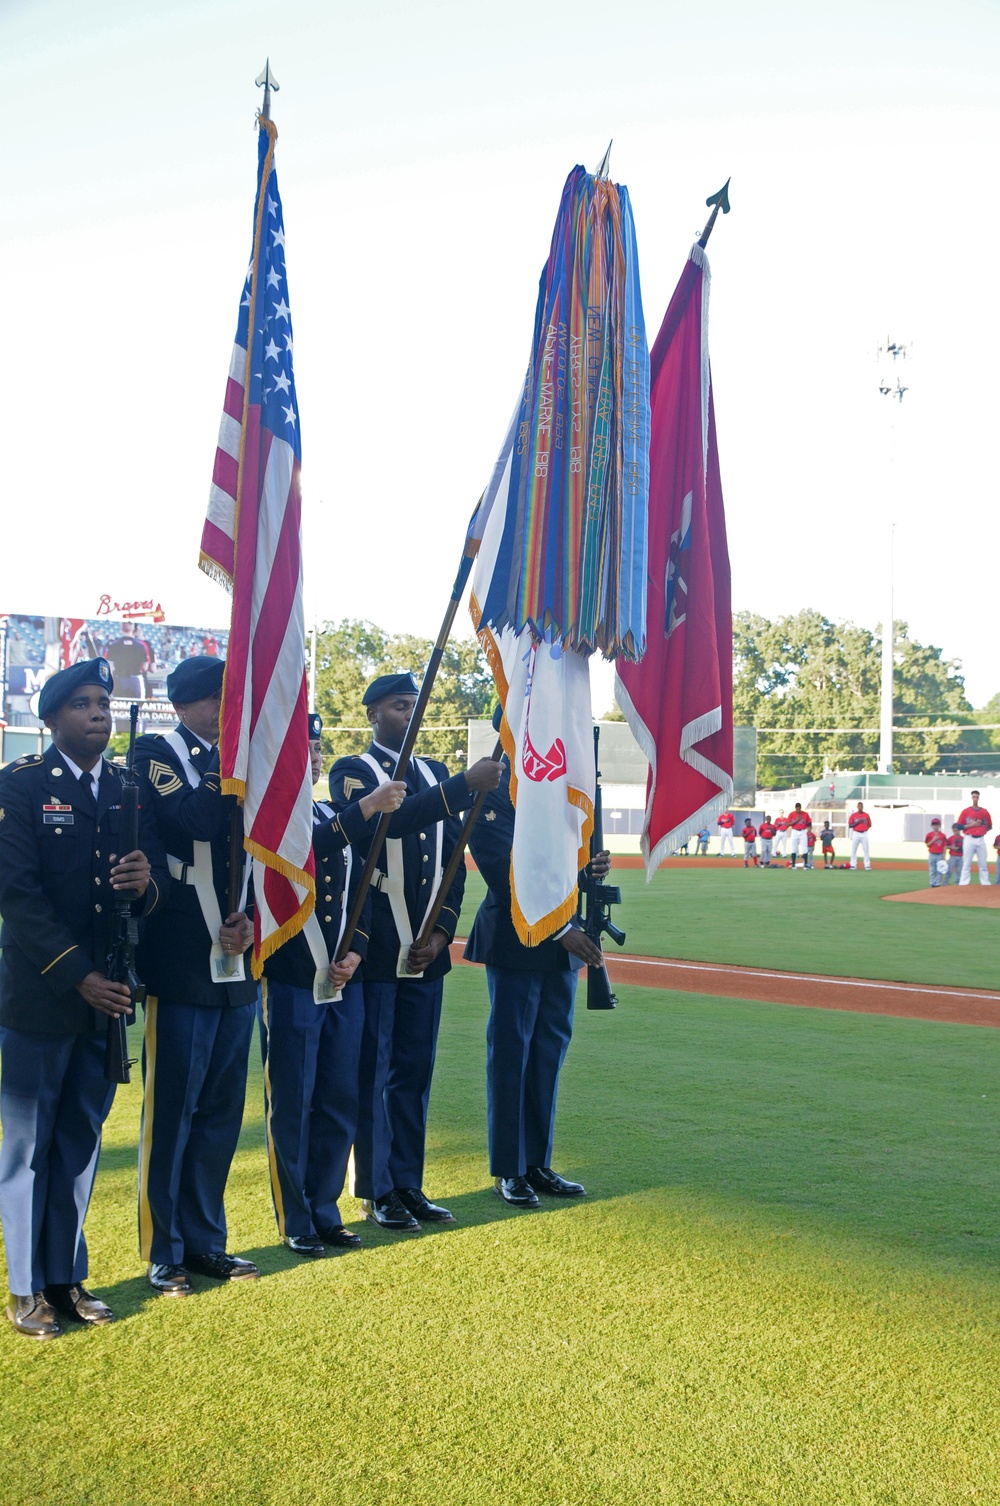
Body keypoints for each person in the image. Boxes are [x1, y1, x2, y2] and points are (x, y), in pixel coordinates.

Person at [0, 660, 167, 1338]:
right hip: (43, 1001)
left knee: (79, 1145)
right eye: (83, 703)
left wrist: (144, 881)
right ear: (51, 719)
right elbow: (17, 897)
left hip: (108, 998)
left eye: (103, 702)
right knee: (27, 1148)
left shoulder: (128, 790)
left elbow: (151, 897)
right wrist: (77, 975)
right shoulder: (21, 788)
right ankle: (24, 1288)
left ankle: (66, 1277)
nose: (98, 712)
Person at [329, 672, 503, 1233]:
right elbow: (390, 824)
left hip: (423, 948)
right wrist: (461, 787)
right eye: (401, 707)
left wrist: (441, 931)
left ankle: (408, 1181)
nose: (411, 715)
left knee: (414, 1071)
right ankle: (375, 1188)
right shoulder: (353, 771)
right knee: (374, 1071)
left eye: (414, 706)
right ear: (375, 713)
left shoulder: (430, 771)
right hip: (377, 946)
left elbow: (455, 862)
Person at [134, 656, 260, 1296]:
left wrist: (254, 919)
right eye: (221, 698)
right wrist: (230, 759)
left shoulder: (242, 758)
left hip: (239, 949)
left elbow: (266, 842)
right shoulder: (155, 752)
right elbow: (194, 822)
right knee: (174, 1110)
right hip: (183, 949)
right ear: (186, 703)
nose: (231, 708)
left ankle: (207, 1240)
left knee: (220, 1112)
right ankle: (164, 1248)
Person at [259, 713, 406, 1256]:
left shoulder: (329, 811)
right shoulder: (272, 821)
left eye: (318, 747)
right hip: (295, 978)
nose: (316, 757)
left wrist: (357, 950)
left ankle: (326, 1209)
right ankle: (295, 1217)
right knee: (294, 1101)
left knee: (339, 1097)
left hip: (340, 978)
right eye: (304, 748)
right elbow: (308, 849)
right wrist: (366, 807)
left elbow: (361, 893)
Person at [465, 758, 609, 1207]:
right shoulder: (493, 787)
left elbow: (557, 862)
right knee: (512, 1054)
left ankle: (537, 1163)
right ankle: (510, 1169)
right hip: (517, 940)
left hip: (560, 942)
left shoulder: (558, 787)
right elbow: (507, 869)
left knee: (547, 1052)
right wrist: (563, 930)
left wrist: (588, 871)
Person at [103, 620, 151, 699]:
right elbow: (144, 667)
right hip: (135, 679)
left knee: (118, 707)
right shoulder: (141, 645)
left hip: (119, 679)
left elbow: (109, 668)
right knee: (137, 706)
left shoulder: (113, 645)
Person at [957, 791, 993, 887]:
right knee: (966, 863)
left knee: (983, 863)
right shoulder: (966, 811)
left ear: (979, 798)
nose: (975, 799)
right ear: (971, 798)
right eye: (974, 797)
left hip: (980, 838)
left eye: (977, 797)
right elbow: (959, 826)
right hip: (969, 838)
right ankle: (963, 883)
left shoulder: (984, 812)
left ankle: (985, 883)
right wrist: (972, 825)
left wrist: (982, 830)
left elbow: (989, 825)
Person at [848, 802, 872, 871]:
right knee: (854, 850)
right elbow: (850, 825)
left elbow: (869, 824)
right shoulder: (853, 815)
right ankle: (853, 865)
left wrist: (864, 828)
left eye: (861, 806)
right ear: (857, 807)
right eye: (859, 806)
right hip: (856, 833)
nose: (860, 807)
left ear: (863, 807)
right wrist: (858, 822)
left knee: (866, 850)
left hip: (864, 833)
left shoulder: (866, 815)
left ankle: (867, 865)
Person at [924, 818, 948, 888]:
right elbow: (928, 845)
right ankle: (932, 884)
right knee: (932, 870)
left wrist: (944, 856)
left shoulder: (943, 835)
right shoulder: (929, 835)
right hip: (932, 854)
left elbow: (944, 846)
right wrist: (933, 839)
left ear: (939, 826)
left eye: (937, 825)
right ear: (931, 826)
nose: (935, 826)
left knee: (939, 870)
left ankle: (937, 884)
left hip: (939, 854)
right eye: (934, 825)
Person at [787, 803, 811, 868]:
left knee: (804, 848)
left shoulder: (805, 814)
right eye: (797, 809)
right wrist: (796, 820)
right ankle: (793, 865)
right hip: (795, 831)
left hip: (803, 831)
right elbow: (787, 824)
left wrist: (809, 829)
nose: (798, 810)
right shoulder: (792, 814)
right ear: (795, 808)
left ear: (801, 808)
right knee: (793, 848)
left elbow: (809, 823)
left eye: (799, 809)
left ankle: (805, 865)